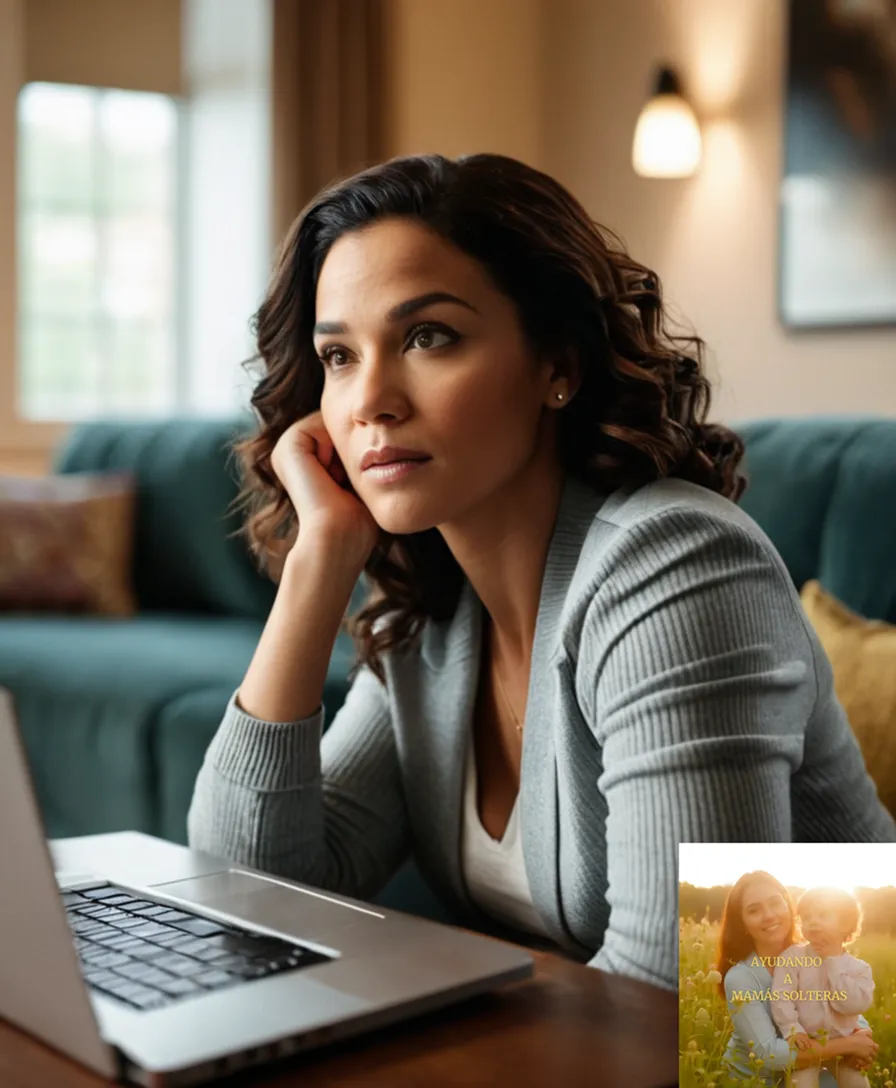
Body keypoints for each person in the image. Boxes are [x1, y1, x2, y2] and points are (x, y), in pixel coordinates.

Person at [186, 152, 896, 992]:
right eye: (339, 357)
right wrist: (320, 558)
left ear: (556, 365)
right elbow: (249, 895)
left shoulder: (680, 566)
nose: (370, 398)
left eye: (427, 337)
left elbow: (676, 990)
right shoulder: (432, 613)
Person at [716, 872, 879, 1084]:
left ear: (788, 906)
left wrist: (861, 1034)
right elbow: (768, 1054)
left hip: (811, 1064)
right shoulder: (740, 978)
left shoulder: (815, 953)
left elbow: (841, 1005)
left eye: (775, 903)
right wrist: (849, 1045)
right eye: (754, 910)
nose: (769, 915)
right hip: (757, 1080)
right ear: (743, 924)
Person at [770, 886, 874, 1087]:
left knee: (858, 1084)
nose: (813, 922)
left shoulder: (859, 969)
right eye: (806, 917)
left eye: (823, 915)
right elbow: (781, 997)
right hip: (807, 1045)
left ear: (845, 923)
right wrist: (793, 1030)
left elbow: (852, 1006)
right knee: (800, 1084)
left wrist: (833, 962)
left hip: (844, 1049)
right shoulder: (792, 957)